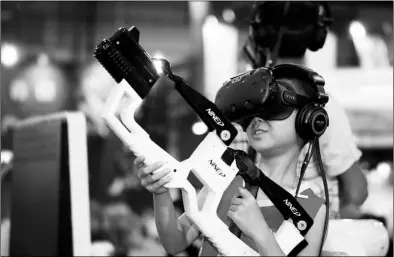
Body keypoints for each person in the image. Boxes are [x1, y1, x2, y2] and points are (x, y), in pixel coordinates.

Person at [134, 64, 329, 256]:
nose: (257, 120)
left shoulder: (310, 208)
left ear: (308, 119)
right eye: (250, 114)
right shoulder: (225, 178)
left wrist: (261, 233)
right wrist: (160, 192)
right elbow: (175, 242)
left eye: (273, 109)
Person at [237, 1, 368, 219]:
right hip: (304, 239)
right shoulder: (323, 107)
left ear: (259, 37)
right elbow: (357, 190)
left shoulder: (235, 101)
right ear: (317, 37)